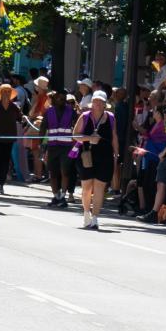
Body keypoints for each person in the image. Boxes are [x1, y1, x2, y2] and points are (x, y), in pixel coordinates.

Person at [72, 87, 118, 230]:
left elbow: (114, 136)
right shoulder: (85, 116)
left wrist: (116, 154)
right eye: (95, 101)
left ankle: (95, 218)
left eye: (100, 101)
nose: (97, 104)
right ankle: (86, 213)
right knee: (87, 187)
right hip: (86, 154)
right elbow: (75, 135)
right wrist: (89, 138)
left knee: (99, 187)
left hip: (105, 156)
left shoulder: (110, 117)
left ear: (105, 104)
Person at [40, 90, 75, 208]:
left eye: (63, 98)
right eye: (58, 97)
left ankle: (63, 196)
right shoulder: (49, 112)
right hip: (52, 146)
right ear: (54, 99)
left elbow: (77, 127)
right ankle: (56, 196)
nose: (61, 99)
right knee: (53, 173)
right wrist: (41, 144)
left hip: (66, 147)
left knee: (65, 171)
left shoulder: (71, 111)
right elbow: (43, 127)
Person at [0, 83, 21, 194]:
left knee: (6, 161)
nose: (6, 93)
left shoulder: (14, 107)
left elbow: (20, 118)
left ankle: (1, 184)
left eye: (8, 92)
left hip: (9, 138)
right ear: (0, 93)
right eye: (4, 91)